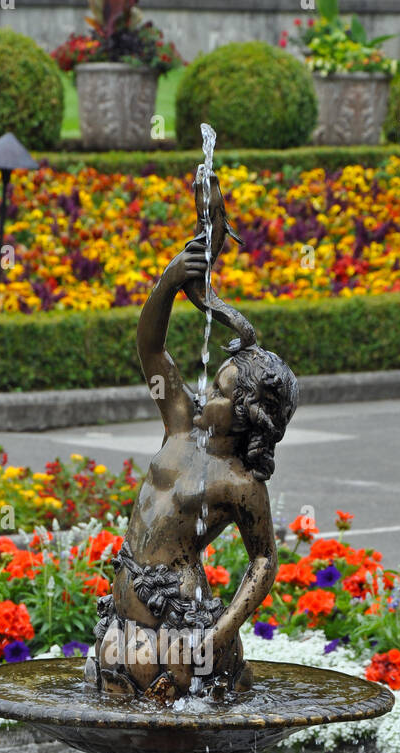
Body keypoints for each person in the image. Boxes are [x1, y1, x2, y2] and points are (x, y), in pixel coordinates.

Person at [87, 221, 298, 701]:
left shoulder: (239, 481)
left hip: (178, 626)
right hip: (123, 616)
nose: (205, 394)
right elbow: (151, 347)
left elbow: (263, 560)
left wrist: (219, 634)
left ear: (246, 415)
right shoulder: (181, 423)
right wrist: (169, 283)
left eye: (220, 392)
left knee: (176, 730)